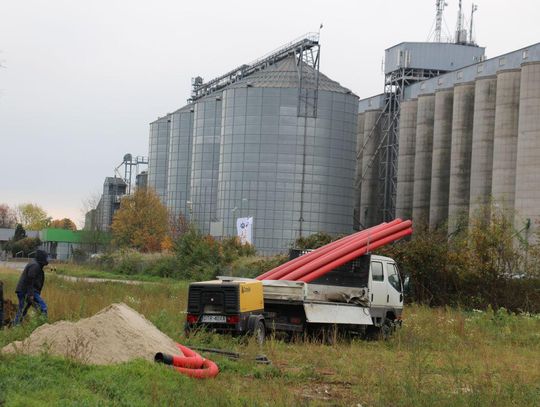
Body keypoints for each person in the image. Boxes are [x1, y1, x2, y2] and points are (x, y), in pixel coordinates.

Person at [14, 249, 49, 324]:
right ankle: (43, 324)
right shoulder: (35, 266)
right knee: (43, 307)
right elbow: (30, 281)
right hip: (26, 291)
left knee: (23, 310)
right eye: (46, 257)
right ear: (41, 258)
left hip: (29, 291)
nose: (47, 259)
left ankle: (16, 325)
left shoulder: (36, 265)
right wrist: (30, 295)